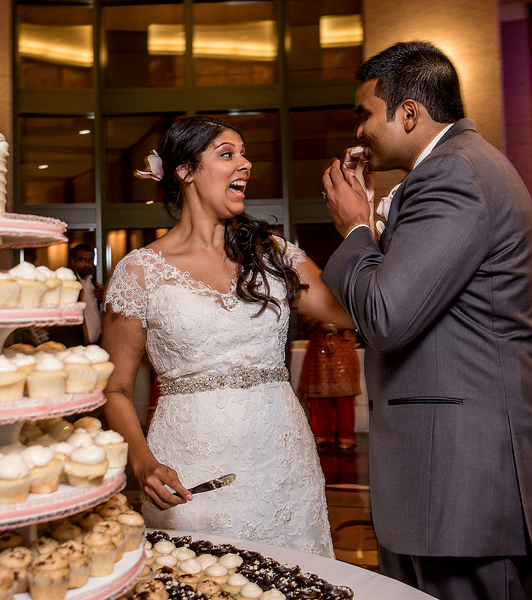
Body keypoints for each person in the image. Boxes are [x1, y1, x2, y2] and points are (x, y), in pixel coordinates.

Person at [320, 41, 532, 599]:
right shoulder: (459, 167)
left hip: (463, 482)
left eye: (364, 113)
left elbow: (386, 315)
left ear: (408, 113)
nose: (359, 131)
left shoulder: (453, 174)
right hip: (446, 479)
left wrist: (355, 230)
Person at [101, 116, 354, 555]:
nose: (246, 164)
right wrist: (143, 464)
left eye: (244, 153)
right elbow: (116, 388)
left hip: (282, 456)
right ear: (184, 171)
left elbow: (352, 312)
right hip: (189, 461)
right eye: (227, 153)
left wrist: (360, 227)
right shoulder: (139, 272)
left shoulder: (273, 255)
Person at [297, 319, 360, 449]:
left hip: (343, 345)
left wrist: (336, 326)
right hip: (319, 346)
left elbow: (353, 319)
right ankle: (322, 434)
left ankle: (346, 435)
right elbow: (307, 323)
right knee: (320, 390)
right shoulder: (311, 298)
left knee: (345, 392)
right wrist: (320, 320)